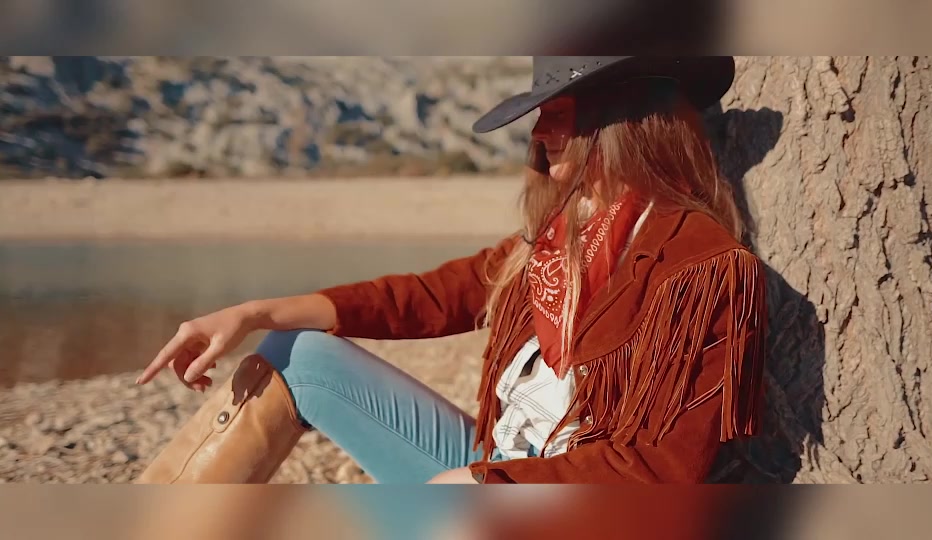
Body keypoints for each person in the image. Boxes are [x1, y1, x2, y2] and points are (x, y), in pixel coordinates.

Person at [134, 56, 767, 485]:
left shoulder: (701, 266)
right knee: (294, 354)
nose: (539, 130)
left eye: (559, 110)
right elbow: (426, 298)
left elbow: (664, 469)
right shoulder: (554, 237)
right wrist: (252, 313)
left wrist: (488, 485)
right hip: (490, 470)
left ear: (620, 118)